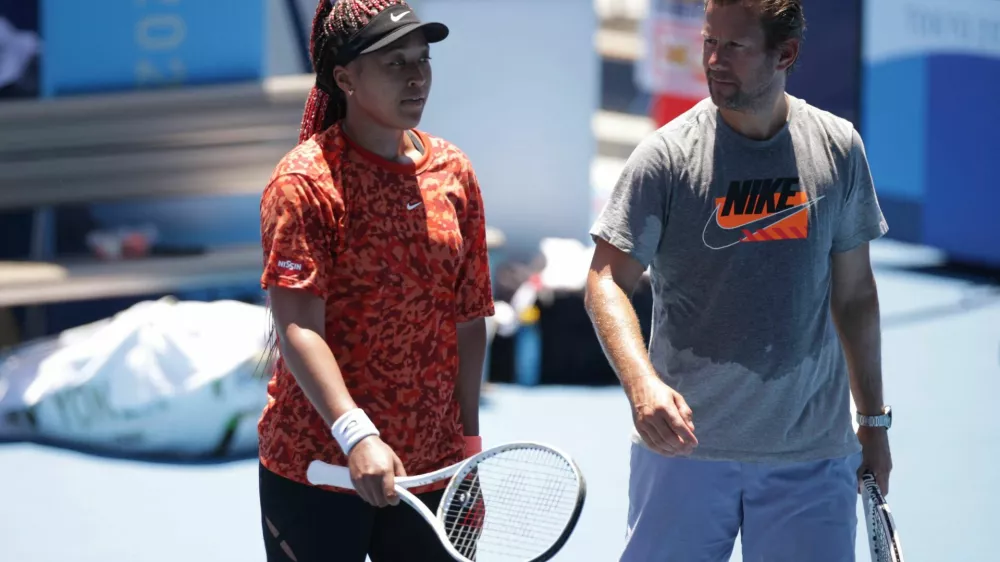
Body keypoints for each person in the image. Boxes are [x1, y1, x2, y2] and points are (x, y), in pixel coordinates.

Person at [585, 1, 894, 560]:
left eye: (734, 47)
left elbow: (855, 296)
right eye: (709, 42)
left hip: (812, 455)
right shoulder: (665, 158)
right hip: (683, 453)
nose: (712, 60)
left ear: (787, 55)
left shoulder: (839, 148)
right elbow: (606, 278)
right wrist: (642, 385)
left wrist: (873, 422)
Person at [256, 1, 495, 560]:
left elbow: (469, 319)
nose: (416, 76)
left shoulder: (454, 171)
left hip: (435, 470)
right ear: (345, 78)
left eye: (422, 59)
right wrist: (357, 435)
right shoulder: (304, 184)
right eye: (394, 63)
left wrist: (470, 449)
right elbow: (297, 327)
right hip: (317, 467)